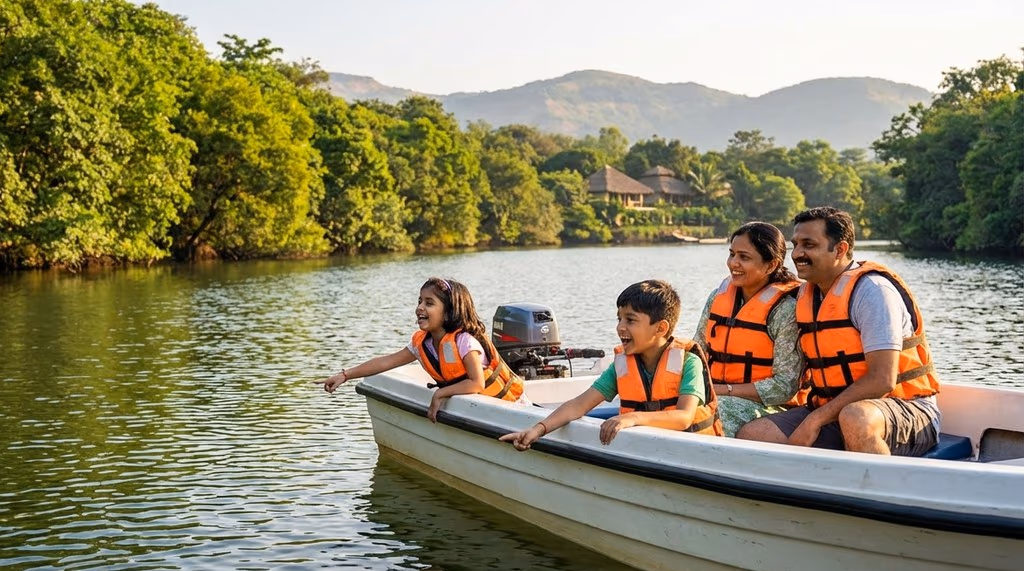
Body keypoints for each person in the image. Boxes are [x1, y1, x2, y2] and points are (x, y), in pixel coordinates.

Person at [736, 207, 942, 455]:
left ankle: (879, 492)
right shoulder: (806, 295)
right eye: (796, 244)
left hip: (905, 409)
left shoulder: (872, 292)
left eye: (809, 245)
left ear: (841, 249)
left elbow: (882, 380)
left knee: (855, 418)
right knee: (754, 434)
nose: (798, 253)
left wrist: (815, 420)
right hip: (834, 410)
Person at [499, 280, 722, 451]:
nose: (620, 327)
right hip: (650, 449)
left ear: (660, 328)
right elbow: (579, 405)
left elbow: (684, 417)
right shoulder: (622, 365)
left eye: (630, 320)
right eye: (619, 319)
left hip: (694, 451)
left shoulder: (688, 361)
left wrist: (632, 418)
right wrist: (538, 429)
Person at [318, 277, 526, 422]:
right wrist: (345, 375)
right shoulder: (422, 344)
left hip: (512, 409)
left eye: (429, 303)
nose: (420, 308)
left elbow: (476, 382)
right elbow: (386, 362)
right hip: (481, 410)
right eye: (419, 301)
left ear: (448, 313)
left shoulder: (465, 342)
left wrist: (439, 394)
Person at [694, 222, 807, 437]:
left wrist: (721, 391)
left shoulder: (786, 310)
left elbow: (783, 386)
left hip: (772, 408)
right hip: (712, 394)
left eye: (744, 257)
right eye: (732, 254)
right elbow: (697, 353)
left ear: (771, 265)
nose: (733, 263)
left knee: (709, 416)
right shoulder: (717, 297)